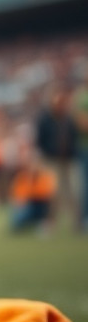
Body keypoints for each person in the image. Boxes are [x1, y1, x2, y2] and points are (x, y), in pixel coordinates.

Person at [34, 87, 79, 232]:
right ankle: (51, 223)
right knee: (53, 193)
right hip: (51, 160)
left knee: (73, 191)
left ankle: (77, 223)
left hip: (68, 159)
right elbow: (39, 141)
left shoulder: (69, 118)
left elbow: (75, 137)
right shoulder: (45, 119)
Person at [9, 150, 56, 234]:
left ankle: (44, 223)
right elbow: (18, 195)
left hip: (40, 205)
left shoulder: (45, 176)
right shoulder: (22, 176)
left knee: (45, 205)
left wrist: (31, 190)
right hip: (28, 205)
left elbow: (47, 193)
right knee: (18, 215)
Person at [72, 74, 88, 231]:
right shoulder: (82, 98)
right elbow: (83, 124)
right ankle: (84, 218)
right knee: (85, 184)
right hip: (85, 148)